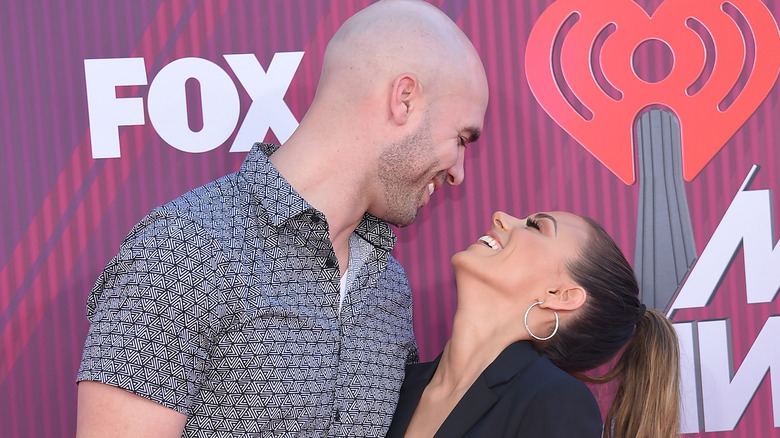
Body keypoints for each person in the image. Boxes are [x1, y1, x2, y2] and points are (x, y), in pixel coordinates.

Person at [75, 0, 489, 436]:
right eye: (460, 138)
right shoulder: (184, 248)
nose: (459, 172)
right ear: (404, 99)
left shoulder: (387, 285)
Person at [386, 211, 681, 438]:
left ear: (560, 295)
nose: (500, 216)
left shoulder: (555, 401)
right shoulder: (395, 383)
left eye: (535, 226)